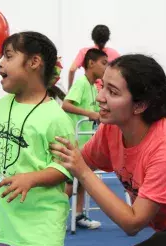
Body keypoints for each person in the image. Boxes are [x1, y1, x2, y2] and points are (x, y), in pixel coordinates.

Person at [50, 54, 166, 246]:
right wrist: (31, 178)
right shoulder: (112, 128)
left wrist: (82, 172)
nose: (100, 97)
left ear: (140, 105)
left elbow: (132, 223)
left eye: (113, 92)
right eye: (102, 86)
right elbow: (74, 164)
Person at [0, 31, 75, 246]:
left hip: (40, 229)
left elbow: (65, 168)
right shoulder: (3, 105)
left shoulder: (56, 118)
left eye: (8, 56)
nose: (0, 64)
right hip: (3, 226)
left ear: (34, 62)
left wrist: (32, 178)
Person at [63, 48, 107, 229]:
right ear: (91, 64)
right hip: (74, 141)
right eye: (103, 63)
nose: (106, 67)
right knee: (68, 183)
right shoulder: (81, 83)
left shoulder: (92, 85)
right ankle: (54, 214)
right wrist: (89, 113)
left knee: (81, 180)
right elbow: (66, 104)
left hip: (85, 142)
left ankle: (78, 215)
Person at [68, 24, 120, 90]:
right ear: (107, 38)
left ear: (93, 37)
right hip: (106, 91)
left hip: (88, 89)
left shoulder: (85, 51)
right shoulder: (114, 54)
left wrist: (69, 88)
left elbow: (72, 69)